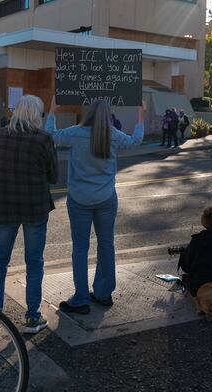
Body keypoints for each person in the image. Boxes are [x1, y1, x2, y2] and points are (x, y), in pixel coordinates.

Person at [46, 97, 146, 314]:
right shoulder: (113, 135)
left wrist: (52, 110)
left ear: (88, 113)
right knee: (106, 244)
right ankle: (103, 293)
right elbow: (135, 141)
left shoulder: (75, 133)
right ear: (108, 115)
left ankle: (81, 298)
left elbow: (51, 136)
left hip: (79, 199)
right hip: (106, 198)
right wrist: (140, 117)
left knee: (80, 248)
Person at [0, 95, 58, 333]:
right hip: (34, 209)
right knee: (34, 263)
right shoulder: (43, 139)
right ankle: (32, 317)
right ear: (37, 115)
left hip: (4, 208)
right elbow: (54, 176)